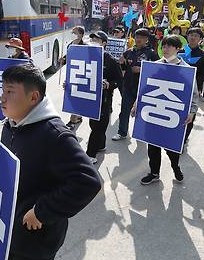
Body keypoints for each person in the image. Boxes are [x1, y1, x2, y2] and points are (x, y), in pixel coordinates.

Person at [0, 64, 101, 260]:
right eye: (2, 90)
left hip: (36, 237)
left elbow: (88, 181)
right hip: (13, 229)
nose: (2, 98)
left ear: (33, 97)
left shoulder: (55, 134)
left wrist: (43, 211)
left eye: (10, 92)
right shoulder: (12, 124)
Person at [130, 35, 198, 184]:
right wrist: (136, 104)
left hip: (173, 113)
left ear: (178, 48)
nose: (165, 49)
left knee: (171, 147)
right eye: (163, 46)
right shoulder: (154, 66)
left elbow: (194, 95)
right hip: (154, 110)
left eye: (169, 46)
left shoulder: (186, 70)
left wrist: (192, 112)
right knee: (152, 145)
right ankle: (154, 173)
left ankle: (175, 167)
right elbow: (144, 88)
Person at [113, 28, 159, 140]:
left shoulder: (151, 53)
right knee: (124, 110)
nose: (139, 39)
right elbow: (122, 65)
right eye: (137, 37)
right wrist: (122, 64)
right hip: (128, 85)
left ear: (147, 40)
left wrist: (142, 69)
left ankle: (141, 133)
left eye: (142, 38)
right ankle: (122, 132)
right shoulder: (129, 51)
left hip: (144, 88)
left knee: (142, 111)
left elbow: (158, 69)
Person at [85, 32, 123, 163]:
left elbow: (119, 79)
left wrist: (109, 85)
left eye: (96, 40)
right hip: (89, 98)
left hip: (104, 99)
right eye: (92, 39)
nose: (93, 41)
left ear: (104, 43)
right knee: (93, 123)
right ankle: (101, 144)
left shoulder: (110, 60)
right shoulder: (86, 57)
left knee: (98, 126)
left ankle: (90, 154)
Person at [178, 27, 204, 140]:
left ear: (200, 39)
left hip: (193, 88)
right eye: (191, 35)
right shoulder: (179, 52)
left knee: (190, 113)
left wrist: (196, 85)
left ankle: (184, 138)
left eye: (196, 36)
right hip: (177, 87)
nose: (193, 37)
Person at [61, 26, 86, 130]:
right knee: (72, 95)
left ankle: (72, 121)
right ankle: (78, 116)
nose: (72, 34)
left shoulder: (85, 46)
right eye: (72, 32)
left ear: (80, 34)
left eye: (74, 32)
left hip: (80, 75)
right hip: (71, 74)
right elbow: (68, 57)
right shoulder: (70, 44)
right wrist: (63, 60)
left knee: (76, 96)